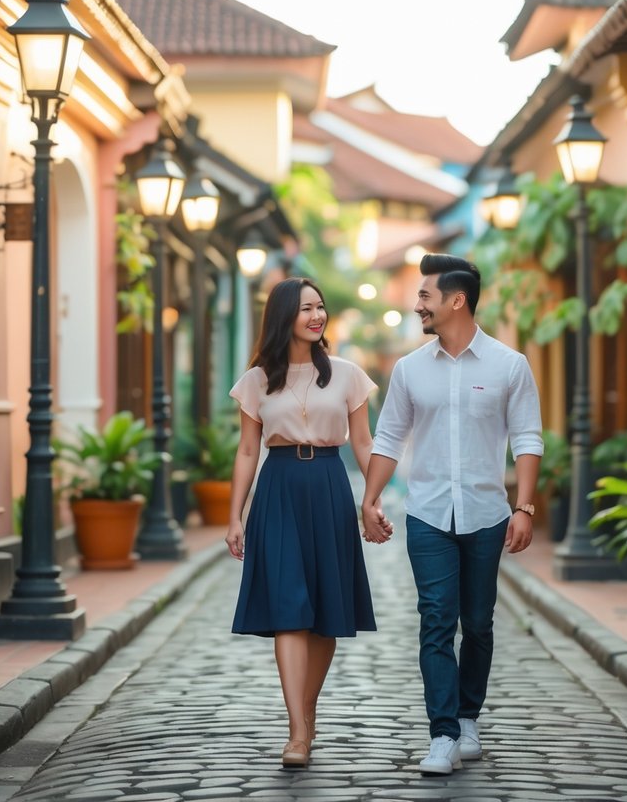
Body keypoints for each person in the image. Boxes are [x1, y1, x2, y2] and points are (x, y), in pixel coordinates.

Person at [360, 253, 542, 776]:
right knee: (437, 620)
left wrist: (523, 507)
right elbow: (390, 437)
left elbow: (528, 438)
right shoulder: (410, 369)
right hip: (428, 514)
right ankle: (441, 733)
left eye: (425, 296)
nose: (418, 304)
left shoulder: (510, 365)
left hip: (487, 513)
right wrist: (370, 500)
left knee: (479, 623)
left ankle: (467, 718)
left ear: (455, 300)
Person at [226, 277, 379, 769]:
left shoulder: (348, 375)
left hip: (331, 486)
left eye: (321, 307)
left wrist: (371, 499)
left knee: (325, 613)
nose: (317, 316)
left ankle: (305, 715)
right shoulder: (256, 380)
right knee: (290, 607)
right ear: (283, 316)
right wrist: (235, 514)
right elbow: (249, 449)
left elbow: (363, 443)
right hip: (279, 488)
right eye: (306, 308)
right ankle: (297, 732)